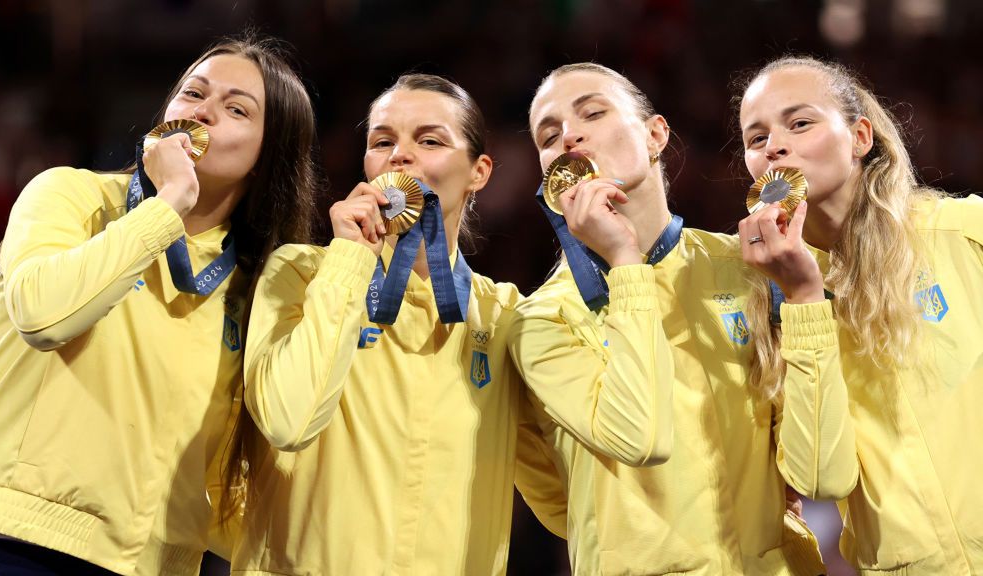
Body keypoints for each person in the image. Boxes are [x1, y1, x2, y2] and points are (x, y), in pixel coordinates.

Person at [0, 34, 319, 576]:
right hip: (8, 543)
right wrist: (170, 202)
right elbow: (43, 316)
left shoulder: (258, 285)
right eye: (193, 92)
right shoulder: (70, 196)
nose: (203, 110)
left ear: (270, 153)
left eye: (236, 109)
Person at [229, 73, 565, 575]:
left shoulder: (504, 319)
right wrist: (349, 260)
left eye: (429, 140)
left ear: (479, 172)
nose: (399, 155)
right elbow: (288, 422)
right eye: (382, 141)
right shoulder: (301, 274)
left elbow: (563, 502)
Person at [509, 62, 827, 575]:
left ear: (656, 135)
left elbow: (806, 454)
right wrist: (625, 261)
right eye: (549, 136)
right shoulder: (541, 320)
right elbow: (570, 489)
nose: (569, 135)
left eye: (593, 112)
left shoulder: (747, 267)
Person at [737, 55, 983, 574]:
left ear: (860, 137)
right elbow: (823, 477)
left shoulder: (962, 233)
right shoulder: (770, 303)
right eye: (756, 139)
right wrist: (804, 299)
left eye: (799, 123)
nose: (774, 146)